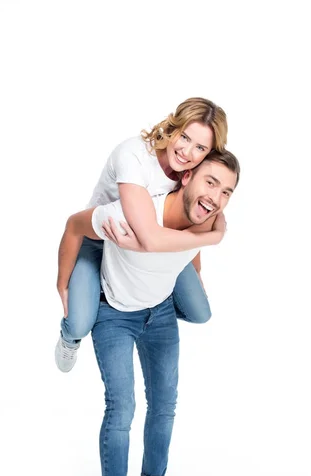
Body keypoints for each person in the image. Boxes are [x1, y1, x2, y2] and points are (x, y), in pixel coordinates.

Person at [58, 149, 240, 476]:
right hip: (114, 313)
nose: (216, 196)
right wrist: (63, 285)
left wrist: (199, 267)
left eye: (227, 191)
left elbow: (189, 247)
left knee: (165, 405)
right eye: (210, 183)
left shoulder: (205, 216)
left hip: (158, 315)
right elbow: (74, 227)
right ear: (187, 175)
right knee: (122, 409)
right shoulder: (128, 214)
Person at [55, 97, 228, 372]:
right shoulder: (134, 156)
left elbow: (193, 221)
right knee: (79, 322)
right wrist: (62, 285)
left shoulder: (191, 174)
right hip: (103, 237)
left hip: (154, 246)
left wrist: (196, 269)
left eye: (200, 148)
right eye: (184, 137)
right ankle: (74, 331)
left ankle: (139, 299)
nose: (186, 152)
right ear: (174, 126)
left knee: (199, 310)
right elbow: (148, 238)